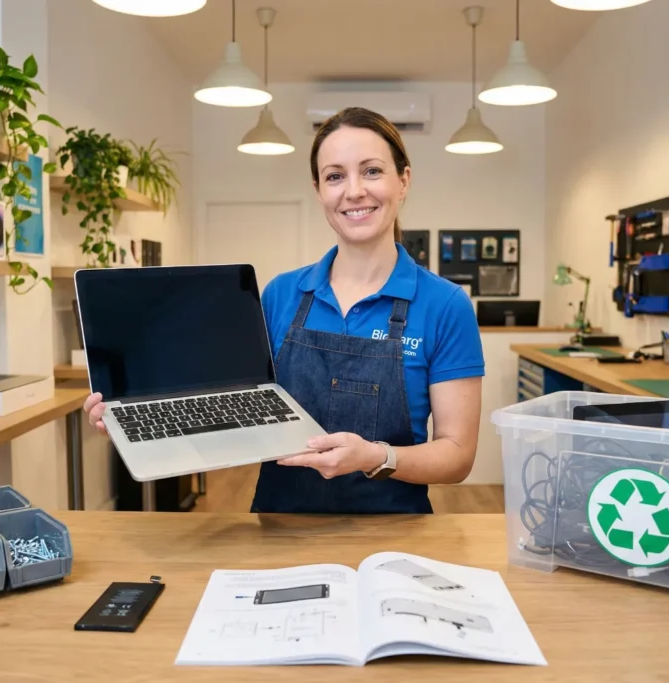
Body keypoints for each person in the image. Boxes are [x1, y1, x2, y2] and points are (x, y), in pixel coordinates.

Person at [83, 106, 485, 514]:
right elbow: (238, 410)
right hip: (278, 528)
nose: (354, 191)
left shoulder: (445, 305)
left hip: (395, 537)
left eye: (372, 171)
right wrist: (135, 423)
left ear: (404, 181)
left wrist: (375, 457)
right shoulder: (281, 295)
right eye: (335, 176)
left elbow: (457, 455)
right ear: (319, 191)